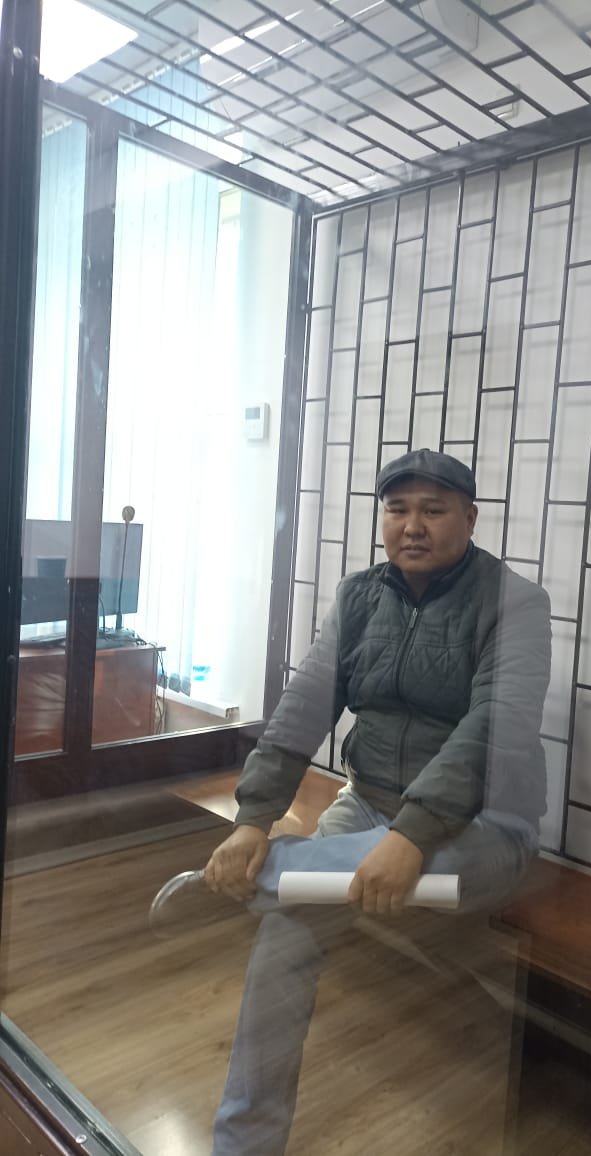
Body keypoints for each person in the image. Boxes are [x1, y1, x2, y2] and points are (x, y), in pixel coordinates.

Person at [150, 448, 552, 1156]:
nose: (412, 525)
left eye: (433, 510)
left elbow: (494, 728)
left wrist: (411, 836)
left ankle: (251, 878)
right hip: (366, 806)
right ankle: (241, 1145)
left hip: (482, 825)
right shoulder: (360, 596)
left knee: (304, 885)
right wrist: (253, 820)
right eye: (397, 509)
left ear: (470, 518)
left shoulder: (515, 602)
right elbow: (304, 706)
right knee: (285, 936)